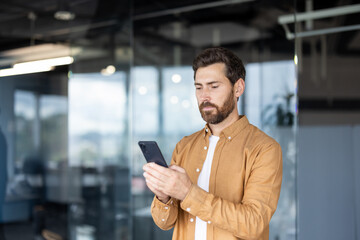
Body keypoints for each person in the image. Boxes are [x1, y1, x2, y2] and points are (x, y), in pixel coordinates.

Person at [143, 47, 282, 240]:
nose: (204, 96)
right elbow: (165, 223)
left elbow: (254, 223)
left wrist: (188, 193)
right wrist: (163, 197)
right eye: (199, 87)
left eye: (213, 86)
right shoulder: (184, 146)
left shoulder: (264, 149)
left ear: (238, 88)